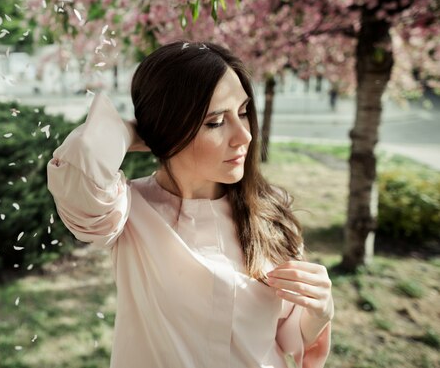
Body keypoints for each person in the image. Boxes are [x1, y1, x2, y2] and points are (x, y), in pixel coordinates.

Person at [47, 41, 333, 368]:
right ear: (171, 128)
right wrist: (133, 133)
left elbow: (286, 339)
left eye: (242, 113)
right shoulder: (126, 213)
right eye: (215, 122)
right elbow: (80, 166)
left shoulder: (270, 211)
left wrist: (320, 311)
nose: (245, 136)